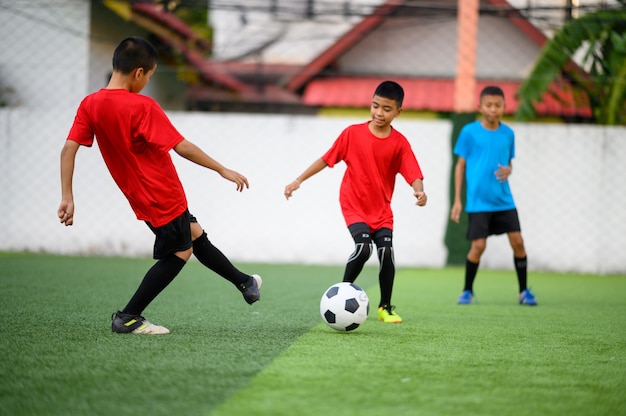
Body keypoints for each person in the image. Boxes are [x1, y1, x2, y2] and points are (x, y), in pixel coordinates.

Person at [58, 37, 262, 335]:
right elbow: (182, 146)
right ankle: (128, 316)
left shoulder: (90, 104)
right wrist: (222, 169)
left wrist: (67, 196)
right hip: (162, 193)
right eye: (150, 76)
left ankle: (245, 283)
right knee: (181, 252)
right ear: (139, 72)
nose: (148, 81)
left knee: (194, 234)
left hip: (139, 195)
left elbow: (68, 149)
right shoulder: (142, 106)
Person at [284, 80, 427, 324]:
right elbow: (326, 159)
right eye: (375, 106)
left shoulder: (400, 143)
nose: (379, 113)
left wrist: (420, 192)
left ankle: (385, 308)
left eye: (386, 109)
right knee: (363, 249)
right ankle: (340, 298)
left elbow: (413, 172)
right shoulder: (352, 134)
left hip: (381, 210)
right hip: (354, 205)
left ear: (398, 112)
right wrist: (298, 180)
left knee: (386, 253)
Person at [450, 85, 536, 306]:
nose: (493, 109)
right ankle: (467, 291)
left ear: (504, 107)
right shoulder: (469, 132)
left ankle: (523, 292)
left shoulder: (508, 134)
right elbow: (460, 166)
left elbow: (508, 164)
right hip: (478, 202)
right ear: (480, 106)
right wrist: (458, 200)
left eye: (498, 105)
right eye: (489, 105)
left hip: (504, 200)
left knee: (518, 242)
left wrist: (509, 170)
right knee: (478, 246)